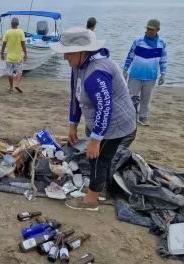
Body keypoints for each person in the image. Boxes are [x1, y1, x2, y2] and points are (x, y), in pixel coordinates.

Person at [48, 28, 137, 211]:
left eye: (68, 53)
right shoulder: (79, 66)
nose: (65, 58)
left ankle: (91, 200)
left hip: (116, 124)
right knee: (98, 158)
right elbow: (76, 96)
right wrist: (73, 125)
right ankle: (99, 187)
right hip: (99, 121)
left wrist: (95, 140)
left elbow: (105, 108)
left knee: (97, 159)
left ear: (83, 51)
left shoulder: (96, 72)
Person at [123, 19, 167, 126]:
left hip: (151, 76)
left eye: (152, 29)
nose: (149, 31)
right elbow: (130, 55)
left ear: (158, 30)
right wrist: (125, 70)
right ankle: (130, 116)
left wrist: (163, 73)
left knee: (146, 98)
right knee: (131, 97)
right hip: (135, 75)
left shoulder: (162, 43)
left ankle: (143, 117)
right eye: (148, 28)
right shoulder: (138, 41)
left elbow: (163, 59)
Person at [1, 17, 27, 93]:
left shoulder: (7, 32)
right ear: (17, 24)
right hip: (18, 57)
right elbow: (23, 44)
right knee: (19, 72)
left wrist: (2, 53)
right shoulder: (21, 32)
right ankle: (17, 85)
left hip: (10, 57)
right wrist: (25, 54)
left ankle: (11, 87)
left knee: (10, 73)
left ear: (11, 24)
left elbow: (4, 44)